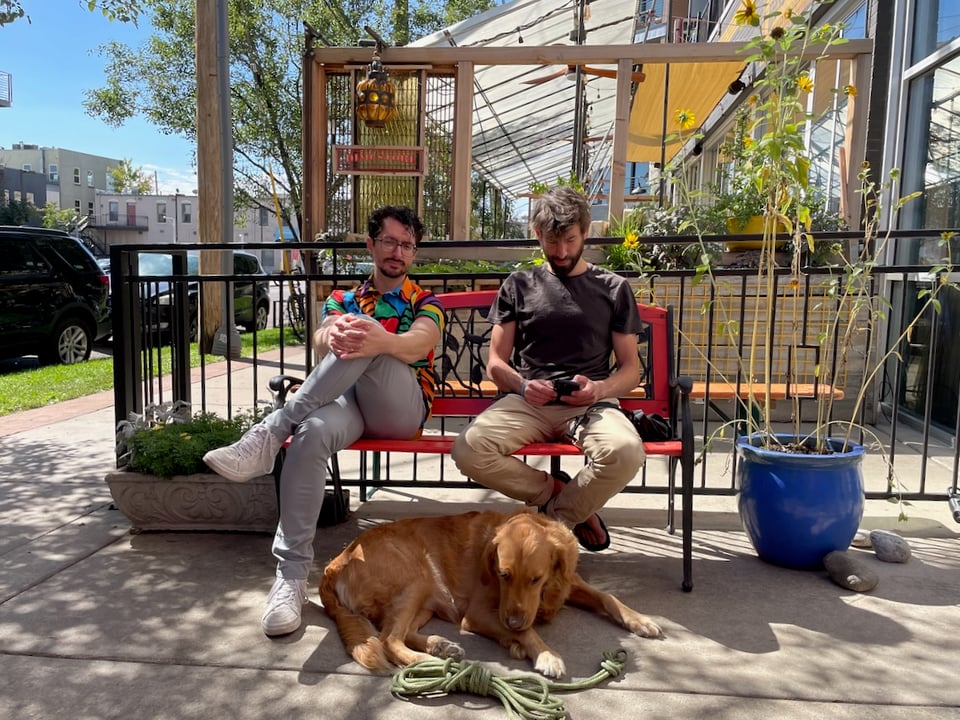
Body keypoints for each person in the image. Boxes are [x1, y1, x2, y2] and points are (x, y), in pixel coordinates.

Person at [203, 205, 444, 636]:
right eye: (389, 241)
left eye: (407, 245)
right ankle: (292, 577)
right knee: (312, 432)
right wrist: (333, 333)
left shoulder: (424, 301)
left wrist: (376, 338)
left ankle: (272, 429)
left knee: (364, 333)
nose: (398, 251)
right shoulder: (341, 299)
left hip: (400, 409)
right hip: (350, 406)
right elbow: (321, 337)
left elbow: (417, 343)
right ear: (370, 244)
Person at [451, 186, 645, 551]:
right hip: (529, 402)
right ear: (538, 234)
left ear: (586, 232)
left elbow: (631, 370)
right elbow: (495, 363)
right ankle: (554, 491)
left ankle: (554, 521)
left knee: (626, 451)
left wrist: (600, 389)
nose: (562, 252)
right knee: (468, 450)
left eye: (570, 240)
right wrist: (523, 386)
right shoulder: (519, 285)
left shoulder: (613, 288)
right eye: (552, 242)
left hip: (590, 404)